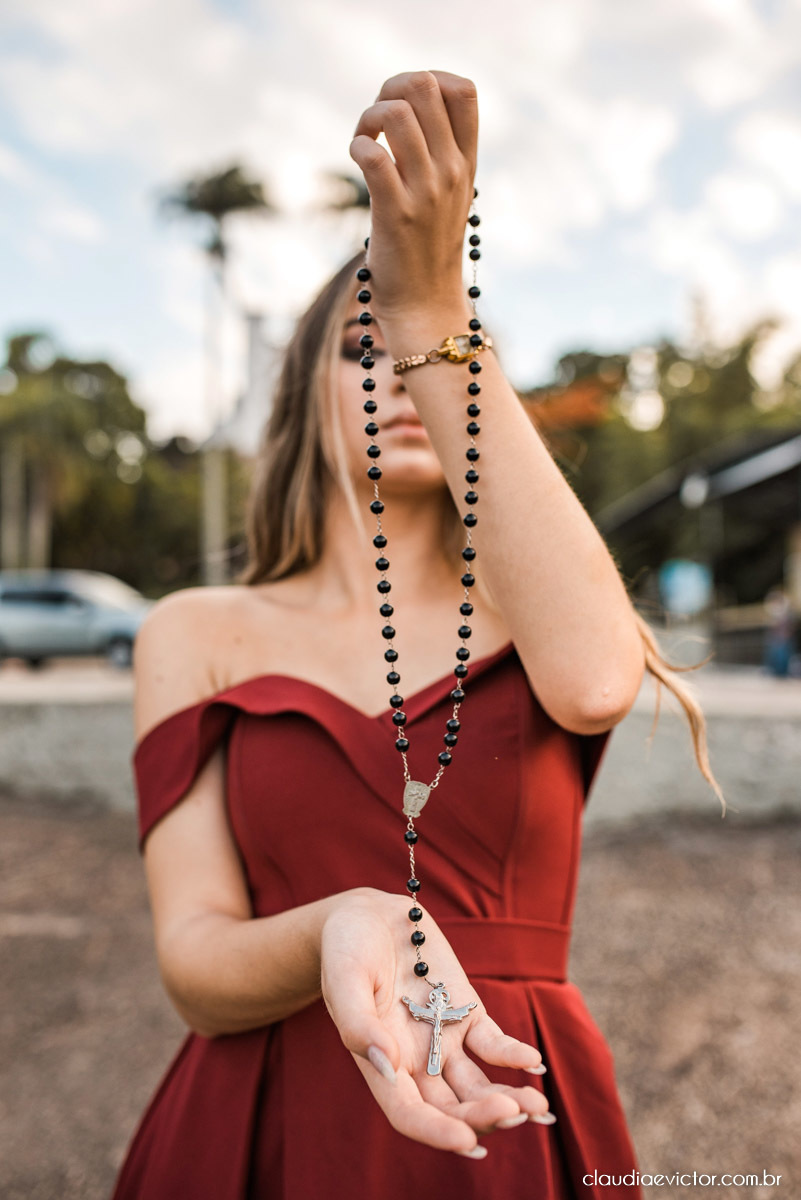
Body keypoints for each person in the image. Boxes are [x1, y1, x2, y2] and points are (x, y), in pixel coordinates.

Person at [111, 71, 724, 1200]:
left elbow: (598, 684)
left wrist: (434, 307)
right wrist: (339, 925)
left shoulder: (534, 613)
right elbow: (193, 967)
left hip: (509, 1112)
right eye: (367, 344)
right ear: (303, 396)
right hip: (258, 1120)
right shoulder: (195, 632)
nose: (402, 370)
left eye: (434, 349)